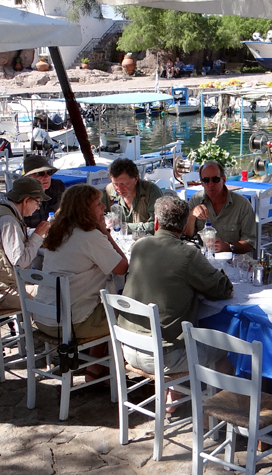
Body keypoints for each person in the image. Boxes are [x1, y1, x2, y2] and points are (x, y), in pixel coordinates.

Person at [120, 195, 234, 403]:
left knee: (176, 330)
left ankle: (172, 396)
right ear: (184, 226)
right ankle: (216, 414)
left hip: (128, 347)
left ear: (156, 222)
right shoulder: (187, 254)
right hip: (162, 356)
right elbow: (223, 290)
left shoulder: (138, 246)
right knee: (226, 350)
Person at [33, 184, 129, 380]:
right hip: (68, 323)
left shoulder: (59, 232)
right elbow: (122, 267)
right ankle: (116, 369)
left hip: (44, 316)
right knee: (127, 309)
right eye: (97, 204)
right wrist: (105, 232)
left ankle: (95, 370)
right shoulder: (90, 236)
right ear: (83, 209)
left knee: (99, 304)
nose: (103, 207)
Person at [0, 178, 51, 310]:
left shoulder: (2, 209)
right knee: (55, 295)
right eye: (37, 203)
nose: (37, 207)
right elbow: (20, 262)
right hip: (2, 291)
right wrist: (37, 236)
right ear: (25, 200)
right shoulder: (7, 220)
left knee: (49, 287)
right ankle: (44, 329)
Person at [185, 160, 255, 255]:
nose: (210, 184)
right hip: (207, 260)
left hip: (233, 261)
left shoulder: (242, 204)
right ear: (201, 183)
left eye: (215, 179)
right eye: (206, 180)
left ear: (224, 179)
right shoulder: (195, 200)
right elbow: (187, 235)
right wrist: (192, 215)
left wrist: (229, 246)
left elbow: (250, 243)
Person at [102, 157, 163, 234]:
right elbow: (96, 218)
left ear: (136, 179)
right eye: (115, 184)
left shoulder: (151, 191)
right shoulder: (108, 190)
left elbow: (157, 225)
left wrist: (125, 227)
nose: (119, 188)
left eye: (124, 184)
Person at [22, 155, 65, 229]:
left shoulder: (57, 186)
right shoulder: (20, 196)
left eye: (49, 172)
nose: (46, 177)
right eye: (40, 174)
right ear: (28, 177)